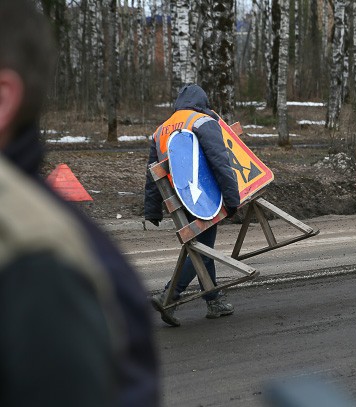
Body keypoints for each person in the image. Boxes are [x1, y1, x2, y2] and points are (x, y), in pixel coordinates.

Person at [0, 2, 159, 406]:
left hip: (195, 208)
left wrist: (155, 209)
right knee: (201, 251)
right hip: (202, 208)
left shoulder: (41, 263)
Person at [145, 84, 241, 326]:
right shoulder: (201, 121)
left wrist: (152, 209)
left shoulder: (161, 130)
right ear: (203, 102)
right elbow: (220, 162)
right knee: (200, 249)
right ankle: (169, 295)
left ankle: (214, 300)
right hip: (203, 198)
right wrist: (232, 199)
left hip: (178, 200)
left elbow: (151, 174)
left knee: (201, 246)